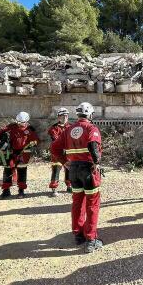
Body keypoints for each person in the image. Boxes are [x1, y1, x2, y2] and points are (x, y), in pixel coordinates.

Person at [51, 102, 103, 253]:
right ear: (90, 114)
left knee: (77, 202)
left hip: (73, 169)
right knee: (92, 204)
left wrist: (65, 162)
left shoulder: (69, 129)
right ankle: (91, 240)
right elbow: (93, 146)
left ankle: (78, 235)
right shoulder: (91, 128)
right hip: (88, 170)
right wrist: (97, 163)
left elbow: (54, 147)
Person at [0, 111, 39, 198]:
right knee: (8, 171)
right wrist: (3, 138)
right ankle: (6, 190)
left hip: (23, 154)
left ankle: (21, 190)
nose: (21, 124)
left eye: (23, 122)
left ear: (27, 121)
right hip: (11, 153)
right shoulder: (11, 127)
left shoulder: (30, 130)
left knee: (22, 172)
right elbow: (1, 134)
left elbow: (36, 140)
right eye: (19, 122)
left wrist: (32, 144)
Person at [48, 108, 72, 197]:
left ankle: (69, 185)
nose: (65, 117)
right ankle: (54, 188)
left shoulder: (71, 127)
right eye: (63, 116)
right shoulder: (54, 128)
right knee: (56, 169)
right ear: (58, 117)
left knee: (69, 169)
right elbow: (56, 139)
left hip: (69, 152)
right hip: (58, 153)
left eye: (66, 116)